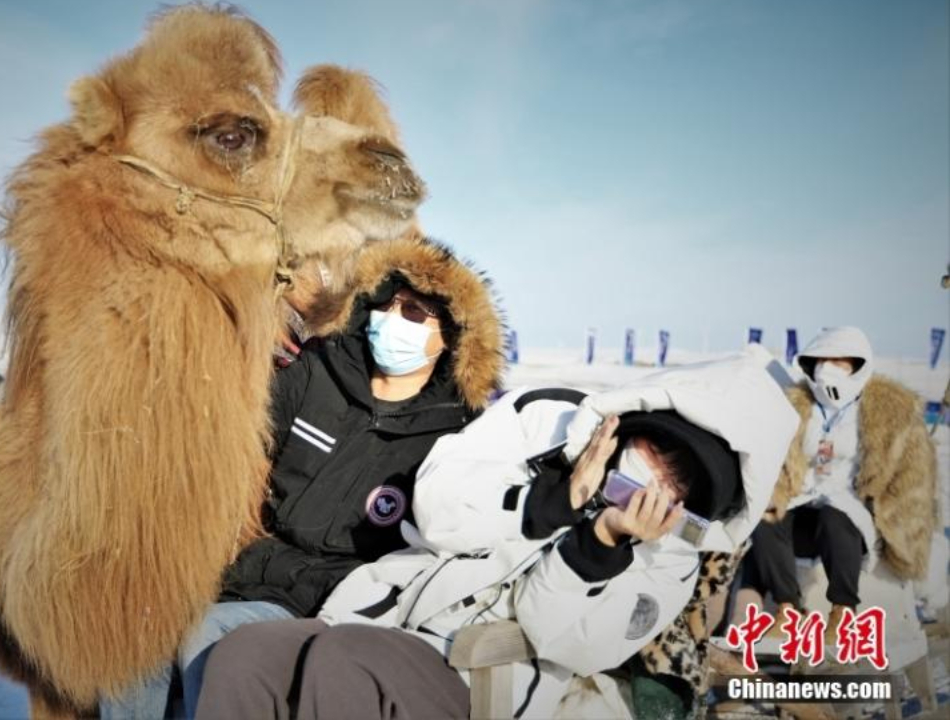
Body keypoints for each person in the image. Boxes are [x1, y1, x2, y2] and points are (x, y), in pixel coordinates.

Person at [195, 346, 799, 719]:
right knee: (246, 654)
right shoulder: (548, 423)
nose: (658, 477)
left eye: (682, 481)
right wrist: (550, 501)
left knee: (345, 660)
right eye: (660, 448)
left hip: (479, 673)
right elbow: (431, 502)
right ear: (638, 422)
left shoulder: (671, 556)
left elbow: (573, 645)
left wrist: (598, 549)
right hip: (376, 613)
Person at [101, 235, 505, 719]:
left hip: (336, 600)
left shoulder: (451, 433)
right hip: (247, 569)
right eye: (387, 304)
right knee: (130, 632)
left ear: (452, 337)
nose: (394, 320)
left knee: (204, 638)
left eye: (416, 313)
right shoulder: (320, 372)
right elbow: (236, 426)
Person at [743, 326, 937, 637]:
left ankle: (843, 612)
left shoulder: (886, 412)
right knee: (766, 521)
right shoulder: (799, 405)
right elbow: (779, 464)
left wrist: (895, 518)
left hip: (854, 509)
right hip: (803, 500)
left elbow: (911, 478)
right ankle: (786, 610)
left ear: (858, 365)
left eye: (839, 361)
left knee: (835, 518)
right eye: (821, 360)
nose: (827, 369)